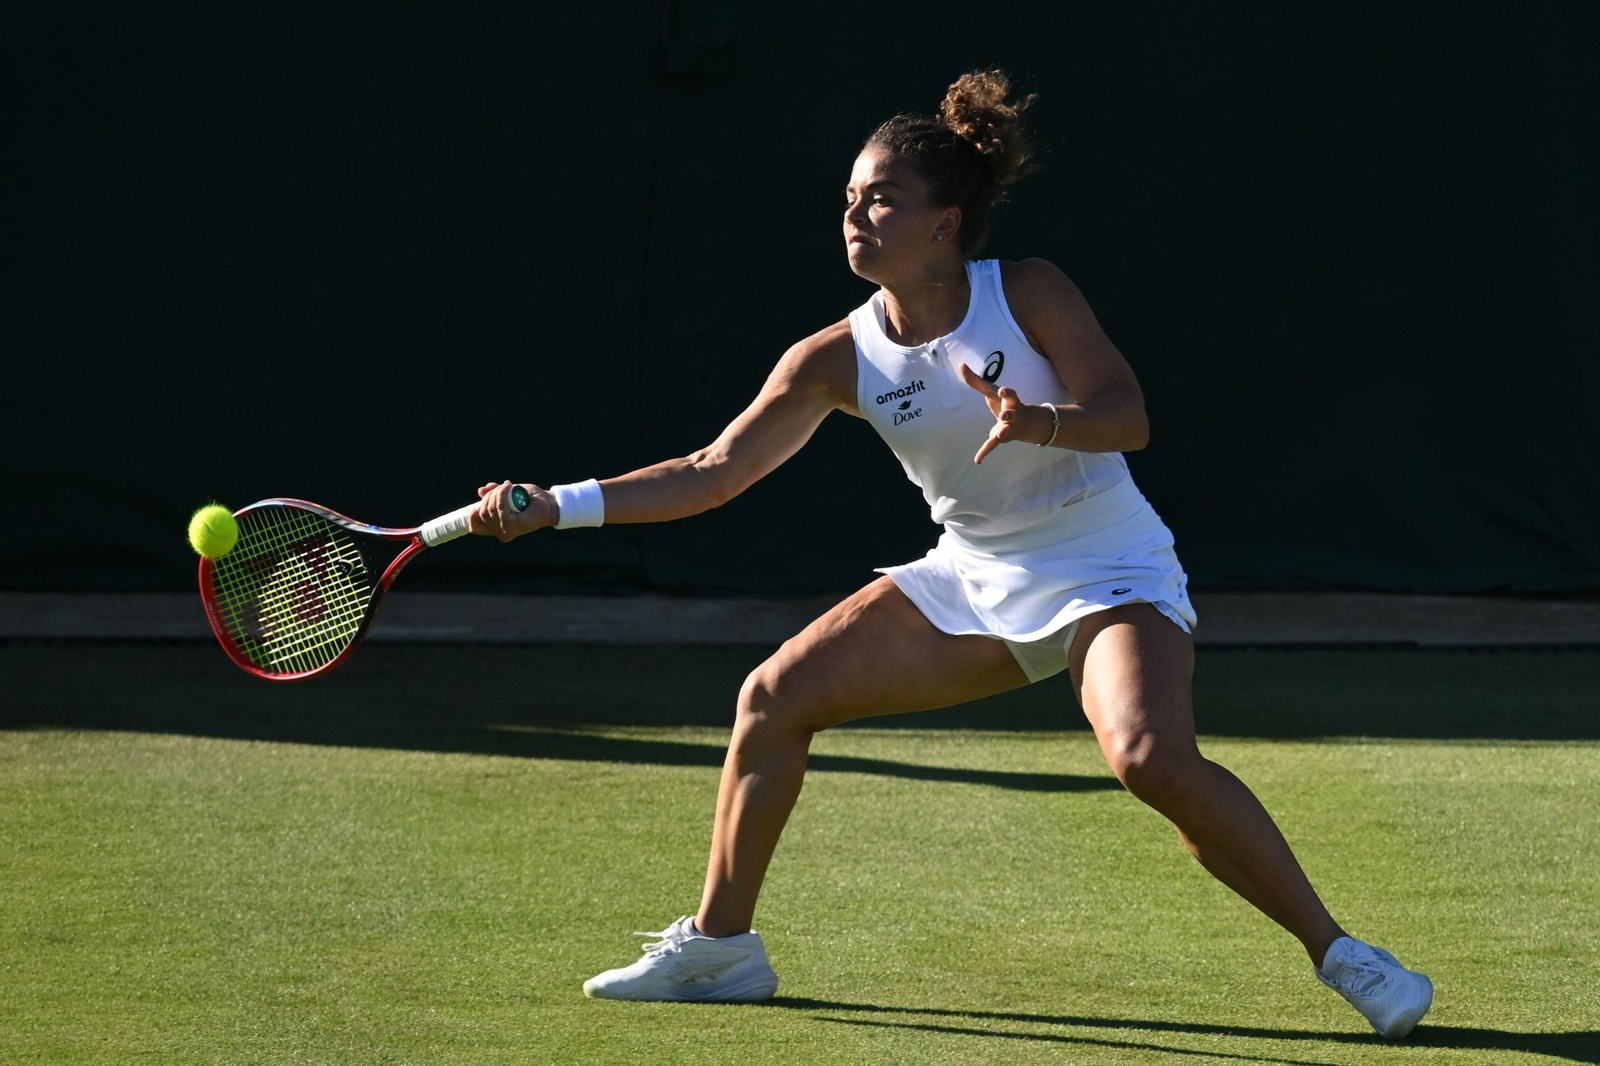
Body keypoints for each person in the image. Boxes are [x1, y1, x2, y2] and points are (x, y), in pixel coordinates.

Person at [468, 70, 1434, 1040]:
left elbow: (1128, 417)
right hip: (971, 574)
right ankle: (721, 949)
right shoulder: (833, 357)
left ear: (945, 222)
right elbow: (710, 472)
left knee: (1149, 758)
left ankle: (1344, 955)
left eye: (881, 198)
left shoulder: (1028, 290)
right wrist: (555, 507)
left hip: (1106, 563)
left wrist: (1039, 421)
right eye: (850, 197)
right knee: (771, 698)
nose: (855, 214)